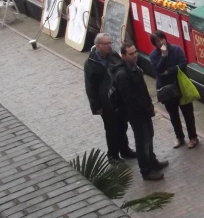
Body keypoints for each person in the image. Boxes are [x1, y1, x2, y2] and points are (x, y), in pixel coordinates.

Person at [114, 42, 168, 180]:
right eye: (131, 54)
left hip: (144, 111)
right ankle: (146, 170)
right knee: (142, 141)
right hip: (136, 114)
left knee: (149, 137)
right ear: (123, 56)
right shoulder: (122, 74)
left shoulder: (135, 68)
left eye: (135, 52)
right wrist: (143, 109)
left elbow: (142, 91)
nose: (135, 55)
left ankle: (153, 161)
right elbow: (129, 99)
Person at [84, 33, 136, 164]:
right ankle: (112, 155)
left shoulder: (113, 55)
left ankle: (125, 150)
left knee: (122, 125)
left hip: (119, 99)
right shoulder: (91, 63)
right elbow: (90, 87)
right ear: (98, 45)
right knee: (111, 128)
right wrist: (96, 106)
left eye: (110, 43)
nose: (109, 46)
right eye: (106, 44)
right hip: (106, 103)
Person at [150, 31, 198, 149]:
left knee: (188, 114)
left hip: (181, 86)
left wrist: (169, 71)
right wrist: (163, 56)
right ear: (154, 44)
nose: (161, 42)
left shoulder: (176, 49)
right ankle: (179, 137)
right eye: (157, 41)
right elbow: (158, 70)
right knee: (173, 115)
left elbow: (182, 64)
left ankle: (193, 137)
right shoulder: (154, 55)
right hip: (167, 90)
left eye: (162, 39)